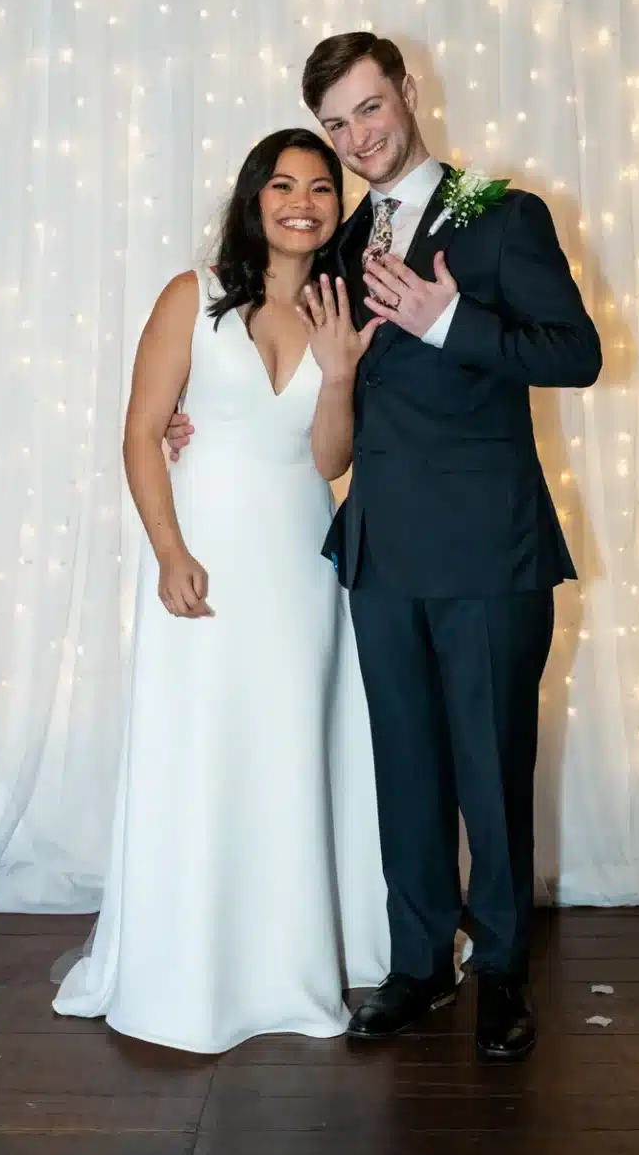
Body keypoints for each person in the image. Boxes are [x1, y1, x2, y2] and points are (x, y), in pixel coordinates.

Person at [168, 35, 602, 1063]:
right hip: (378, 548)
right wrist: (195, 414)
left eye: (369, 110)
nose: (356, 138)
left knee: (491, 771)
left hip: (490, 550)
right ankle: (419, 966)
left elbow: (574, 352)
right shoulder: (335, 237)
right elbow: (290, 355)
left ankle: (500, 974)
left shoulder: (504, 216)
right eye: (335, 122)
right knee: (405, 768)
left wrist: (453, 321)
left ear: (406, 94)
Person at [52, 128, 390, 1054]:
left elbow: (329, 460)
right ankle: (190, 960)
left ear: (336, 210)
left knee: (289, 749)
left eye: (321, 188)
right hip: (203, 558)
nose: (302, 201)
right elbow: (140, 432)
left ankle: (288, 960)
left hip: (297, 563)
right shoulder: (190, 298)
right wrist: (169, 551)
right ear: (254, 199)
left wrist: (339, 375)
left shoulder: (340, 308)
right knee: (200, 747)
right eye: (282, 184)